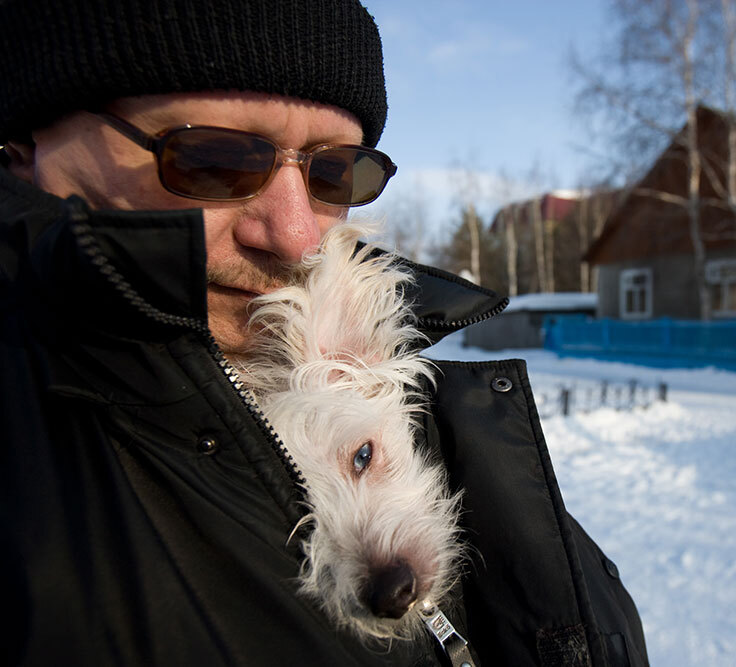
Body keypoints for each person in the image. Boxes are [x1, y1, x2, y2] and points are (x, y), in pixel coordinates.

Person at [0, 1, 647, 665]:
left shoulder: (450, 427)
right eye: (211, 157)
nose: (298, 235)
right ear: (23, 153)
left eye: (335, 169)